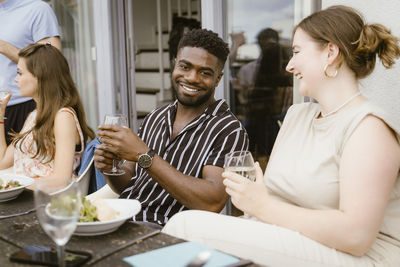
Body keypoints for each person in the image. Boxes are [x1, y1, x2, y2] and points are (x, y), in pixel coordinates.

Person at [162, 6, 400, 266]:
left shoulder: (368, 128)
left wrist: (261, 206)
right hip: (294, 240)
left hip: (360, 257)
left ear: (331, 53)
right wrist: (252, 204)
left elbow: (357, 236)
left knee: (186, 226)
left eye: (297, 52)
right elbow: (272, 200)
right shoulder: (297, 116)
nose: (289, 65)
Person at [94, 29, 249, 226]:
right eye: (185, 67)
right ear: (174, 64)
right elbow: (129, 183)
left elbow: (211, 202)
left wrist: (144, 155)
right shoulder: (155, 117)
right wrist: (109, 168)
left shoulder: (229, 130)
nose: (192, 77)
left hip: (171, 233)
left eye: (205, 72)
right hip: (124, 222)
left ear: (218, 79)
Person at [0, 43, 94, 185]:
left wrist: (15, 187)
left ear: (39, 76)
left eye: (19, 73)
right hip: (28, 196)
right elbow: (2, 161)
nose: (16, 79)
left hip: (48, 201)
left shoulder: (63, 117)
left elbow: (61, 179)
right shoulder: (34, 116)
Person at [0, 0, 61, 145]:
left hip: (25, 106)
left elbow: (52, 64)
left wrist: (3, 46)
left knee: (20, 166)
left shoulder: (37, 9)